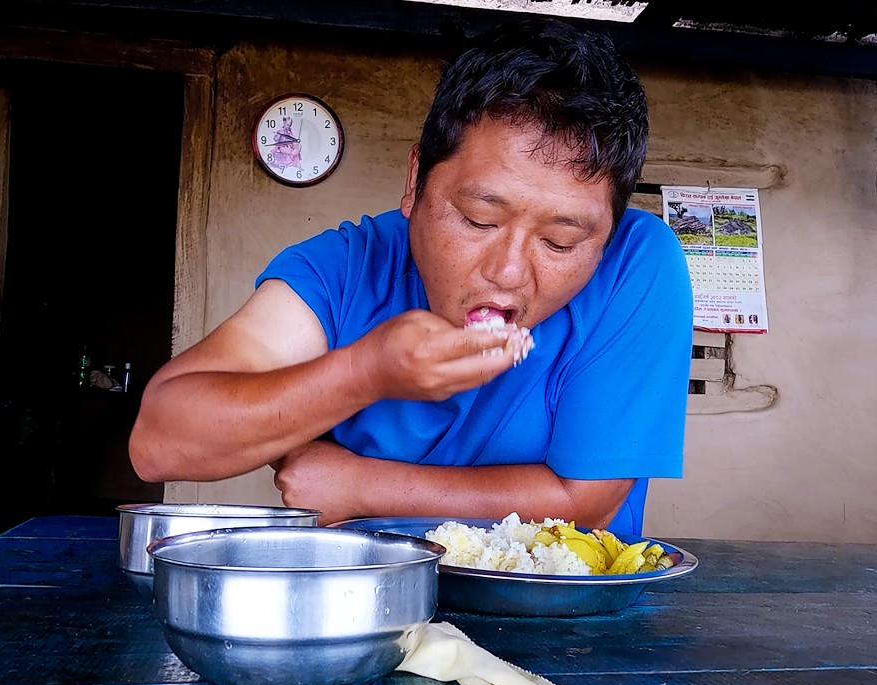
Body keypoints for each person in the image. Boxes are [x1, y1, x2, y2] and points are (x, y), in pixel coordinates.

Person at [129, 17, 692, 535]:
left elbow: (586, 501)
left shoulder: (635, 262)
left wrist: (359, 485)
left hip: (554, 608)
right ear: (416, 179)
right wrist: (364, 372)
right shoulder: (349, 268)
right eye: (479, 219)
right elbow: (160, 442)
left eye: (559, 242)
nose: (509, 272)